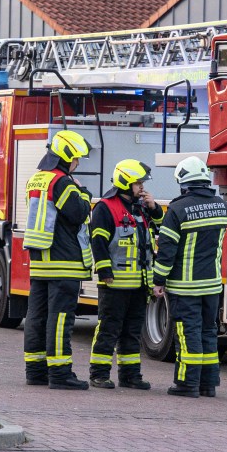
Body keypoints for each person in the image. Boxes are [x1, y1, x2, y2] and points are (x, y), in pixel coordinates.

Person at [152, 155, 227, 398]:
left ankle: (186, 384)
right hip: (212, 285)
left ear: (184, 183)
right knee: (208, 332)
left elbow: (167, 250)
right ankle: (208, 385)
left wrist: (158, 280)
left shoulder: (177, 209)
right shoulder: (222, 206)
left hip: (185, 286)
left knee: (188, 334)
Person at [23, 129, 94, 391]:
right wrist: (84, 194)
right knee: (61, 318)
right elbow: (77, 213)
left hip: (40, 260)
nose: (77, 164)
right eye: (76, 159)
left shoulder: (36, 179)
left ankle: (35, 370)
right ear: (66, 157)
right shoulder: (62, 182)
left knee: (37, 316)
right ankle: (60, 374)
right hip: (64, 261)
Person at [88, 159, 164, 390]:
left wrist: (155, 208)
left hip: (139, 285)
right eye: (138, 183)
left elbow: (161, 229)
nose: (142, 187)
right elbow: (98, 242)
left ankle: (131, 375)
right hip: (115, 284)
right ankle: (99, 374)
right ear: (125, 182)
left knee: (132, 332)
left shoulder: (141, 208)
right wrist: (104, 271)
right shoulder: (105, 207)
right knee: (108, 330)